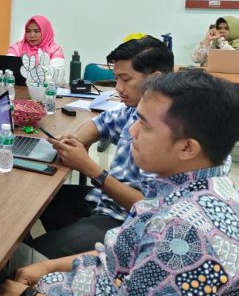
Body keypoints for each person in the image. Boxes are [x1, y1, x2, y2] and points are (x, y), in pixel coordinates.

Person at [0, 69, 239, 296]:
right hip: (83, 287)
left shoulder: (184, 236)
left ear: (187, 148)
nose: (132, 131)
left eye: (145, 125)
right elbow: (118, 256)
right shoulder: (199, 187)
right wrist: (46, 267)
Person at [30, 36, 173, 259]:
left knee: (29, 255)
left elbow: (149, 210)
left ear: (155, 79)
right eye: (116, 79)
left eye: (125, 79)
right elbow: (101, 124)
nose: (118, 88)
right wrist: (75, 141)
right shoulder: (137, 107)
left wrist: (90, 168)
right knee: (37, 201)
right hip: (106, 201)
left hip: (126, 222)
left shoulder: (171, 129)